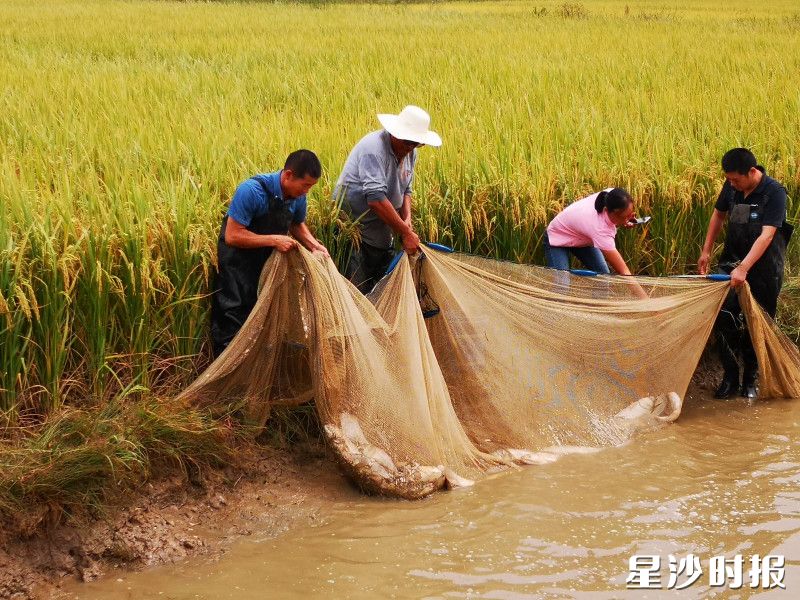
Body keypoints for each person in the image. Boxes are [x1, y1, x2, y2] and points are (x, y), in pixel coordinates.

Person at [210, 149, 329, 358]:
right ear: (289, 175)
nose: (307, 192)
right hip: (237, 264)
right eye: (306, 185)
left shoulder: (297, 197)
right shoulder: (252, 191)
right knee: (234, 315)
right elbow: (232, 235)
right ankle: (227, 376)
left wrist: (313, 245)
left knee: (264, 316)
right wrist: (274, 240)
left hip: (266, 265)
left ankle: (256, 372)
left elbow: (296, 224)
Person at [698, 148, 789, 400]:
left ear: (752, 172)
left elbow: (767, 234)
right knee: (723, 314)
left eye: (735, 179)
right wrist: (706, 251)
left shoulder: (774, 193)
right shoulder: (731, 186)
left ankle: (750, 377)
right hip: (732, 261)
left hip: (765, 269)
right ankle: (729, 375)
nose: (731, 184)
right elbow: (718, 214)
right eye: (728, 179)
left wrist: (744, 268)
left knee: (755, 321)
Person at [334, 105, 442, 293]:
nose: (410, 148)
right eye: (407, 142)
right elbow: (375, 199)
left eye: (415, 144)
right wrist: (404, 232)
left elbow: (406, 190)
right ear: (395, 133)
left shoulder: (410, 153)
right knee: (357, 292)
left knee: (382, 291)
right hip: (355, 232)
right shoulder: (373, 149)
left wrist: (406, 222)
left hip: (382, 232)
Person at [544, 187, 638, 276]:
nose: (629, 218)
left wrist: (624, 219)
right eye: (624, 217)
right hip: (557, 238)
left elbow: (616, 217)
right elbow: (624, 272)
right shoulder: (600, 230)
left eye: (630, 214)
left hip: (581, 237)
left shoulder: (613, 196)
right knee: (562, 285)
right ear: (607, 211)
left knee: (603, 278)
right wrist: (642, 294)